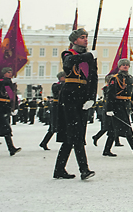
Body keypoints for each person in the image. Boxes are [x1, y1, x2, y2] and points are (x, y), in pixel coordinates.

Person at [53, 28, 98, 180]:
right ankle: (84, 169)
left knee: (70, 137)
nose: (86, 40)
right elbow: (69, 63)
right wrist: (89, 55)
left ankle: (59, 169)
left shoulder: (89, 58)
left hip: (82, 97)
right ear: (74, 41)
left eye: (86, 37)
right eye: (82, 37)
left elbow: (93, 79)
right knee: (76, 134)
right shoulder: (68, 54)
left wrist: (92, 97)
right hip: (70, 95)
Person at [103, 59, 133, 157]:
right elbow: (110, 95)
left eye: (127, 65)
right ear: (119, 66)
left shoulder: (131, 78)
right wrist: (109, 108)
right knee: (127, 126)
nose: (125, 66)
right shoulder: (115, 78)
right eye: (123, 65)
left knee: (112, 129)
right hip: (117, 105)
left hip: (126, 105)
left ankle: (106, 150)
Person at [0, 67, 21, 156]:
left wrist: (14, 106)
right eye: (8, 72)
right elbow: (4, 87)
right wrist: (10, 82)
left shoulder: (7, 83)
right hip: (0, 108)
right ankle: (11, 148)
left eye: (11, 72)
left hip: (5, 108)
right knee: (5, 129)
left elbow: (12, 96)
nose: (10, 74)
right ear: (3, 73)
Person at [39, 71, 66, 150]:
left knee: (58, 126)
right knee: (54, 126)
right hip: (57, 106)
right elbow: (59, 89)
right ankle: (44, 142)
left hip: (61, 106)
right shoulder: (56, 85)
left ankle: (44, 142)